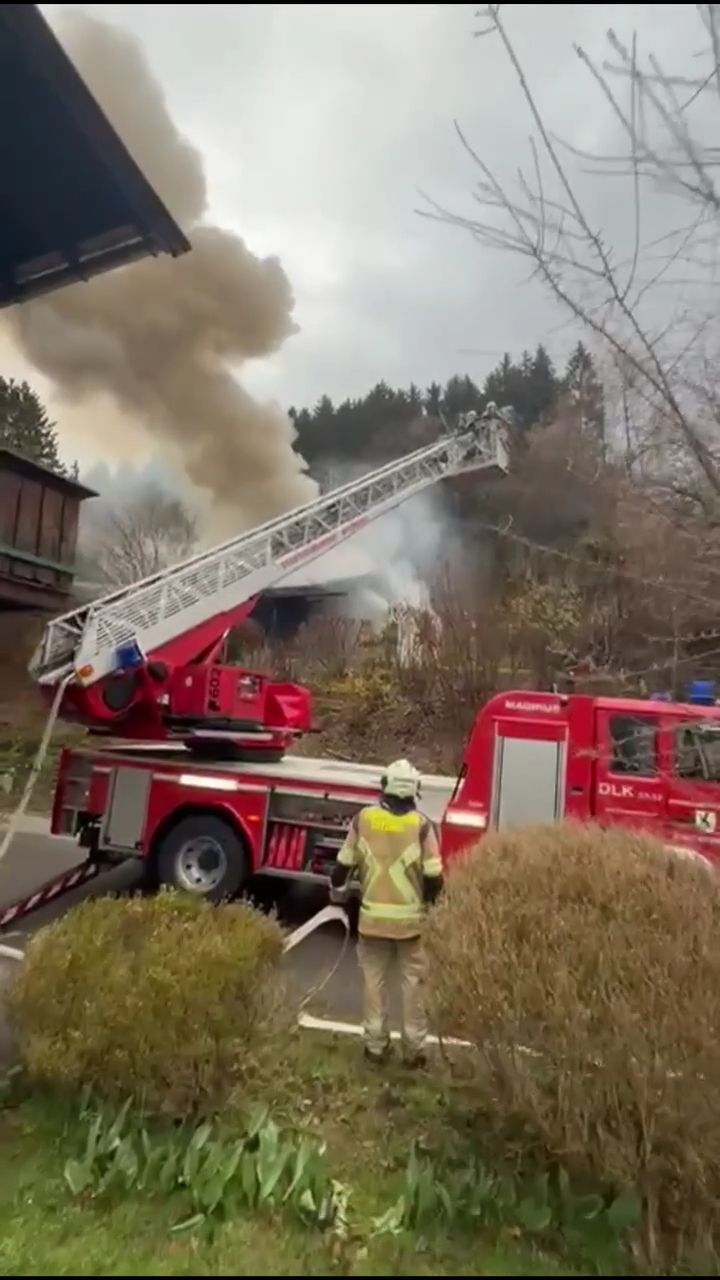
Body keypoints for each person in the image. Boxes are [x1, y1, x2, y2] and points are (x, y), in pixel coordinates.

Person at [330, 758, 443, 1066]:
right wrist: (430, 909)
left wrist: (338, 891)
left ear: (385, 787)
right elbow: (434, 878)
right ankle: (414, 1051)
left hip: (371, 923)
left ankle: (375, 1047)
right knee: (413, 986)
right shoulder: (421, 826)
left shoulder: (363, 819)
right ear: (414, 791)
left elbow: (341, 869)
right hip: (411, 925)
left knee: (373, 983)